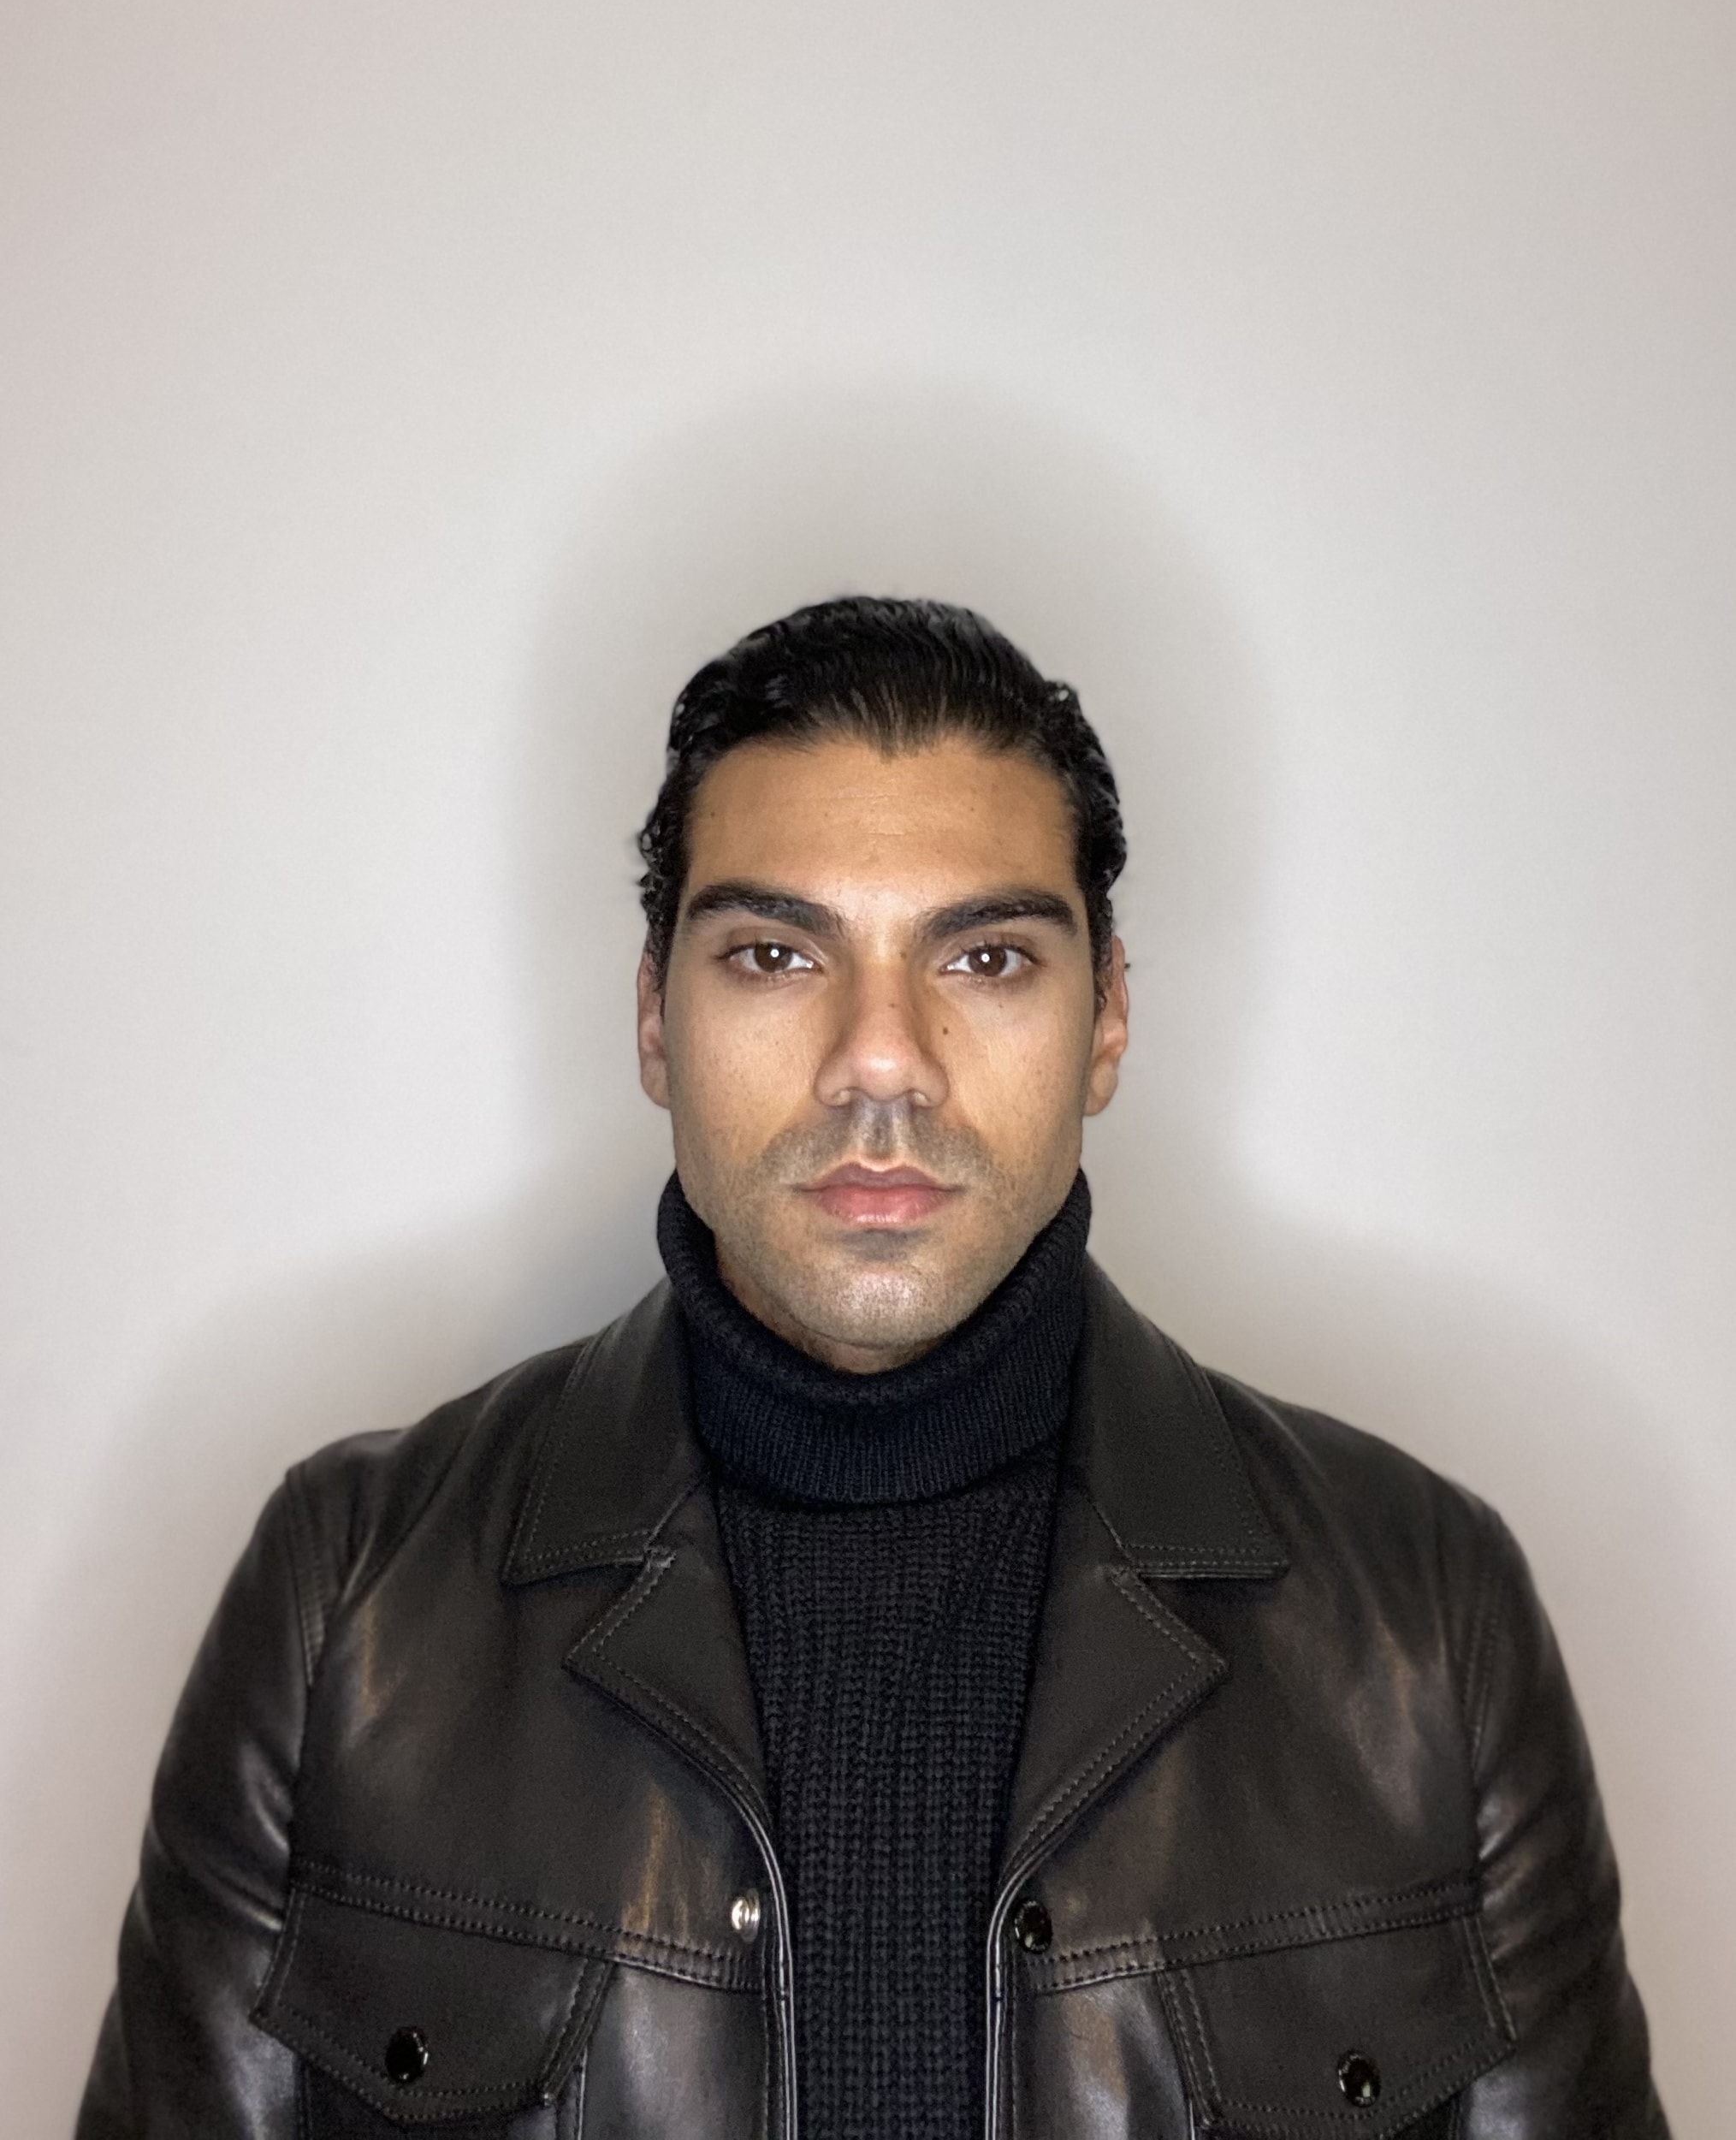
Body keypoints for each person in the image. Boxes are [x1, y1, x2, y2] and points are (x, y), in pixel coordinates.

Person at [79, 596, 1666, 2140]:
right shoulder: (348, 1604)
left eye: (986, 960)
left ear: (1108, 1021)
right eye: (776, 955)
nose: (881, 1060)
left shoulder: (1422, 1621)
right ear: (654, 1020)